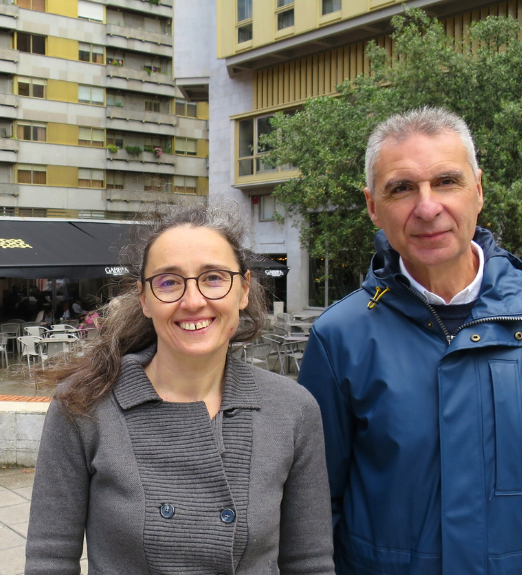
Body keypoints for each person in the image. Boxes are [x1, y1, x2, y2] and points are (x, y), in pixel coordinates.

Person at [299, 107, 522, 574]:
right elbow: (315, 511)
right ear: (373, 206)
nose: (428, 207)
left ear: (478, 189)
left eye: (446, 182)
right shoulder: (339, 338)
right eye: (402, 188)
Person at [26, 204, 335, 574]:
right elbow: (51, 559)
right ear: (144, 298)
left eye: (214, 278)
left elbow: (309, 562)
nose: (192, 301)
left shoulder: (293, 409)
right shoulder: (82, 406)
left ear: (243, 290)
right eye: (169, 282)